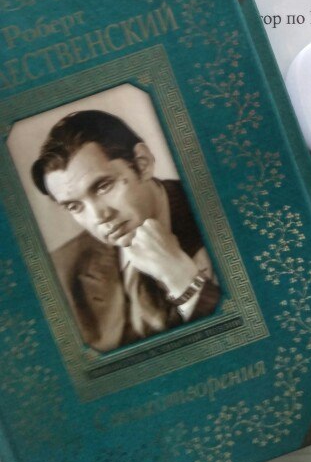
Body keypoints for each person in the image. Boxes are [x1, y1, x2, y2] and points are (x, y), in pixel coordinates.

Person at [31, 110, 220, 352]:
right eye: (75, 206)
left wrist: (183, 280)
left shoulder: (221, 212)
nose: (98, 217)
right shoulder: (63, 271)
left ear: (142, 164)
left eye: (103, 186)